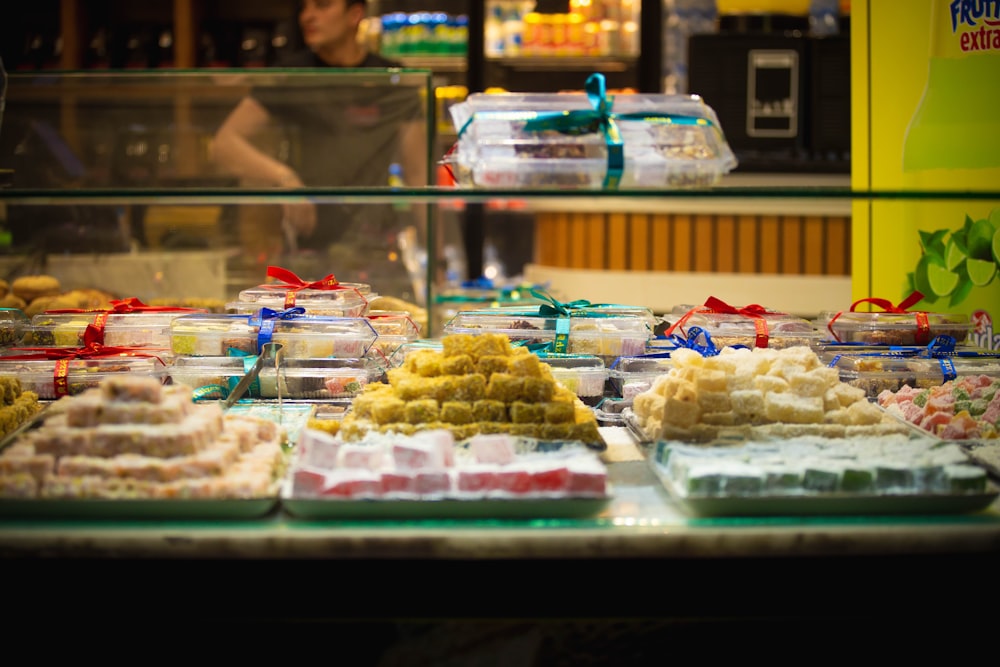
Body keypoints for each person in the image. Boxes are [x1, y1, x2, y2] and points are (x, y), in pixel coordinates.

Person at [210, 0, 429, 300]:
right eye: (304, 7)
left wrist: (439, 263)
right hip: (308, 248)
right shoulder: (292, 74)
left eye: (322, 6)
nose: (308, 16)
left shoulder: (392, 78)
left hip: (375, 247)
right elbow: (224, 144)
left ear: (355, 15)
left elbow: (419, 176)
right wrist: (284, 179)